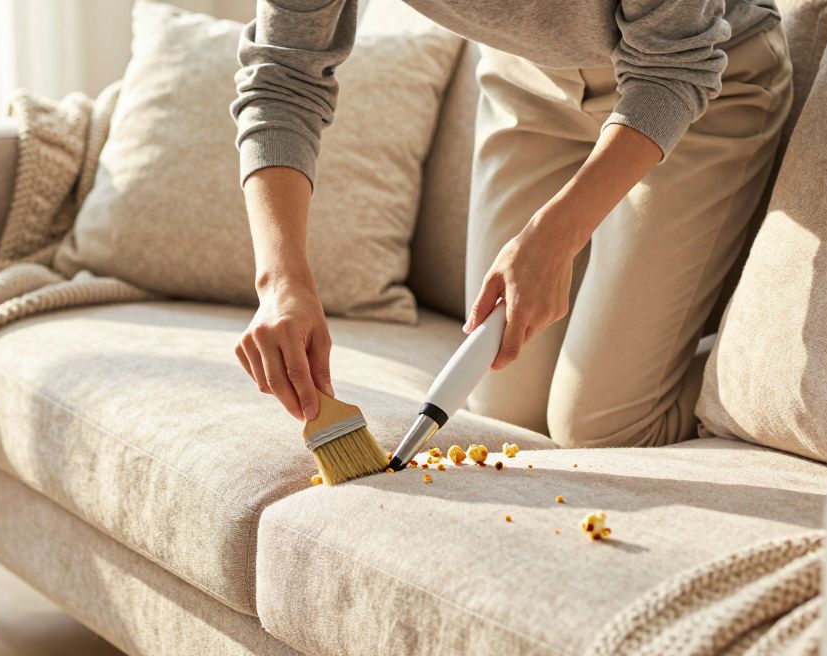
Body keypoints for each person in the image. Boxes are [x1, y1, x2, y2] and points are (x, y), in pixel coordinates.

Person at [230, 0, 793, 448]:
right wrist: (280, 283)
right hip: (532, 86)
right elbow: (283, 76)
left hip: (698, 88)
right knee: (506, 406)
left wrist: (556, 234)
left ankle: (756, 353)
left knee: (599, 428)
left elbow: (675, 65)